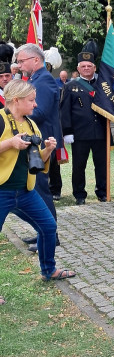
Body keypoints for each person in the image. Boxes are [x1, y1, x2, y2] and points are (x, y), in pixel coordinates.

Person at [0, 80, 75, 285]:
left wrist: (48, 150)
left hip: (25, 191)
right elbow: (9, 146)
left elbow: (37, 161)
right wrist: (11, 143)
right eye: (32, 100)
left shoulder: (31, 124)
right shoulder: (0, 120)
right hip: (2, 191)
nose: (35, 105)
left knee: (48, 226)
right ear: (16, 100)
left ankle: (48, 270)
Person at [14, 44, 61, 245]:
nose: (19, 65)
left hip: (40, 144)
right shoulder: (35, 79)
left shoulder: (44, 81)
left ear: (35, 60)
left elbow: (40, 112)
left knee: (41, 189)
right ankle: (43, 231)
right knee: (35, 189)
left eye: (22, 61)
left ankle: (51, 236)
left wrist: (16, 114)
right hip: (35, 141)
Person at [60, 50, 109, 205]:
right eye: (83, 66)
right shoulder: (70, 86)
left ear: (94, 68)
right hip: (80, 134)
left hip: (100, 132)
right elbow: (64, 111)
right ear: (78, 68)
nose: (87, 68)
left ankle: (102, 191)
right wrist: (67, 131)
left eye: (89, 66)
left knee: (101, 165)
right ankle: (79, 194)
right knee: (79, 166)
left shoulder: (102, 85)